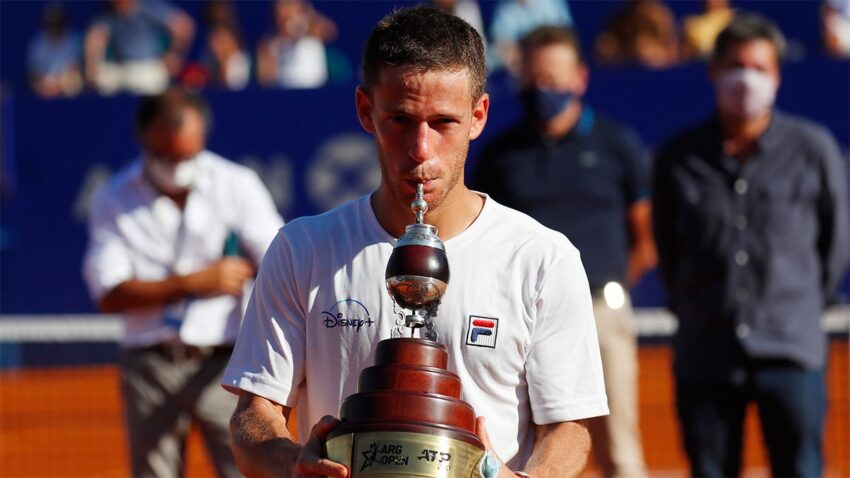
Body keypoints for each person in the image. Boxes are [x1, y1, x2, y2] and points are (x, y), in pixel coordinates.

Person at [223, 6, 609, 477]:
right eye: (401, 120)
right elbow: (254, 413)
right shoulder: (301, 248)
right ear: (366, 111)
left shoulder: (542, 258)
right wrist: (292, 465)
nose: (421, 150)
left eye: (443, 122)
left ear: (478, 116)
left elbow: (569, 427)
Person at [652, 13, 849, 478]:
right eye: (736, 65)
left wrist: (798, 304)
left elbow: (834, 243)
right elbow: (667, 245)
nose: (747, 78)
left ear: (777, 75)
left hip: (791, 350)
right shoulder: (679, 156)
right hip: (706, 352)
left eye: (759, 68)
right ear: (713, 72)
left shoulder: (813, 148)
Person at [475, 25, 654, 478]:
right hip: (519, 320)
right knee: (529, 444)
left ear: (580, 78)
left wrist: (607, 292)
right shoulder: (498, 155)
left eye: (553, 79)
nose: (543, 90)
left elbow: (645, 238)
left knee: (620, 448)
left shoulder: (616, 144)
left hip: (601, 312)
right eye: (534, 80)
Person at [82, 86, 284, 477]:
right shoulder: (112, 197)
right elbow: (108, 294)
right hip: (149, 366)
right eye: (165, 156)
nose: (177, 166)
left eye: (187, 155)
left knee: (246, 469)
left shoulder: (237, 184)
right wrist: (197, 282)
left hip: (227, 367)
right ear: (144, 138)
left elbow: (280, 259)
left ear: (202, 140)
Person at [84, 0, 195, 95]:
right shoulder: (107, 14)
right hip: (120, 69)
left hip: (148, 68)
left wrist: (174, 56)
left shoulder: (149, 7)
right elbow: (95, 38)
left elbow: (183, 26)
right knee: (98, 80)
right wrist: (92, 68)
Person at [256, 0, 337, 89]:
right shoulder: (269, 43)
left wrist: (307, 18)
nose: (285, 12)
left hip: (316, 92)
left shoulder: (311, 32)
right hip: (285, 94)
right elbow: (266, 79)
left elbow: (330, 31)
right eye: (280, 13)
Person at [488, 0, 573, 75]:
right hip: (519, 65)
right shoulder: (504, 10)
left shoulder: (551, 3)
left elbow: (564, 35)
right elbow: (502, 44)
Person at [594, 0, 679, 69]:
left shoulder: (660, 17)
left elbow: (672, 50)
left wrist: (654, 53)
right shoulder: (621, 20)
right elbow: (605, 49)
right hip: (626, 71)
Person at [26, 2, 83, 98]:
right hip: (43, 92)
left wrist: (60, 83)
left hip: (68, 91)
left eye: (57, 22)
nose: (54, 26)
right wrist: (44, 84)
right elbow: (32, 74)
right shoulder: (38, 42)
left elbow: (77, 69)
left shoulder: (74, 40)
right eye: (51, 23)